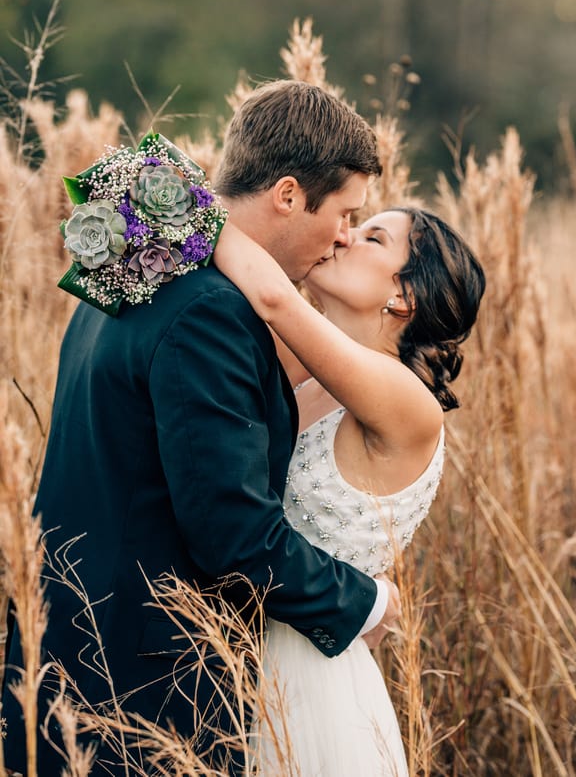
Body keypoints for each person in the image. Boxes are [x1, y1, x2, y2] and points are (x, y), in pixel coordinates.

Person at [1, 80, 400, 776]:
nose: (344, 236)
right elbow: (234, 533)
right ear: (286, 194)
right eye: (344, 213)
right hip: (141, 691)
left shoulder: (130, 271)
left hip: (68, 651)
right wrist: (365, 603)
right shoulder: (209, 310)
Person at [212, 205, 486, 775]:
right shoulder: (308, 376)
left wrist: (169, 206)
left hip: (310, 673)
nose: (343, 234)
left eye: (372, 237)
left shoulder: (409, 402)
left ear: (404, 298)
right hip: (238, 654)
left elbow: (271, 298)